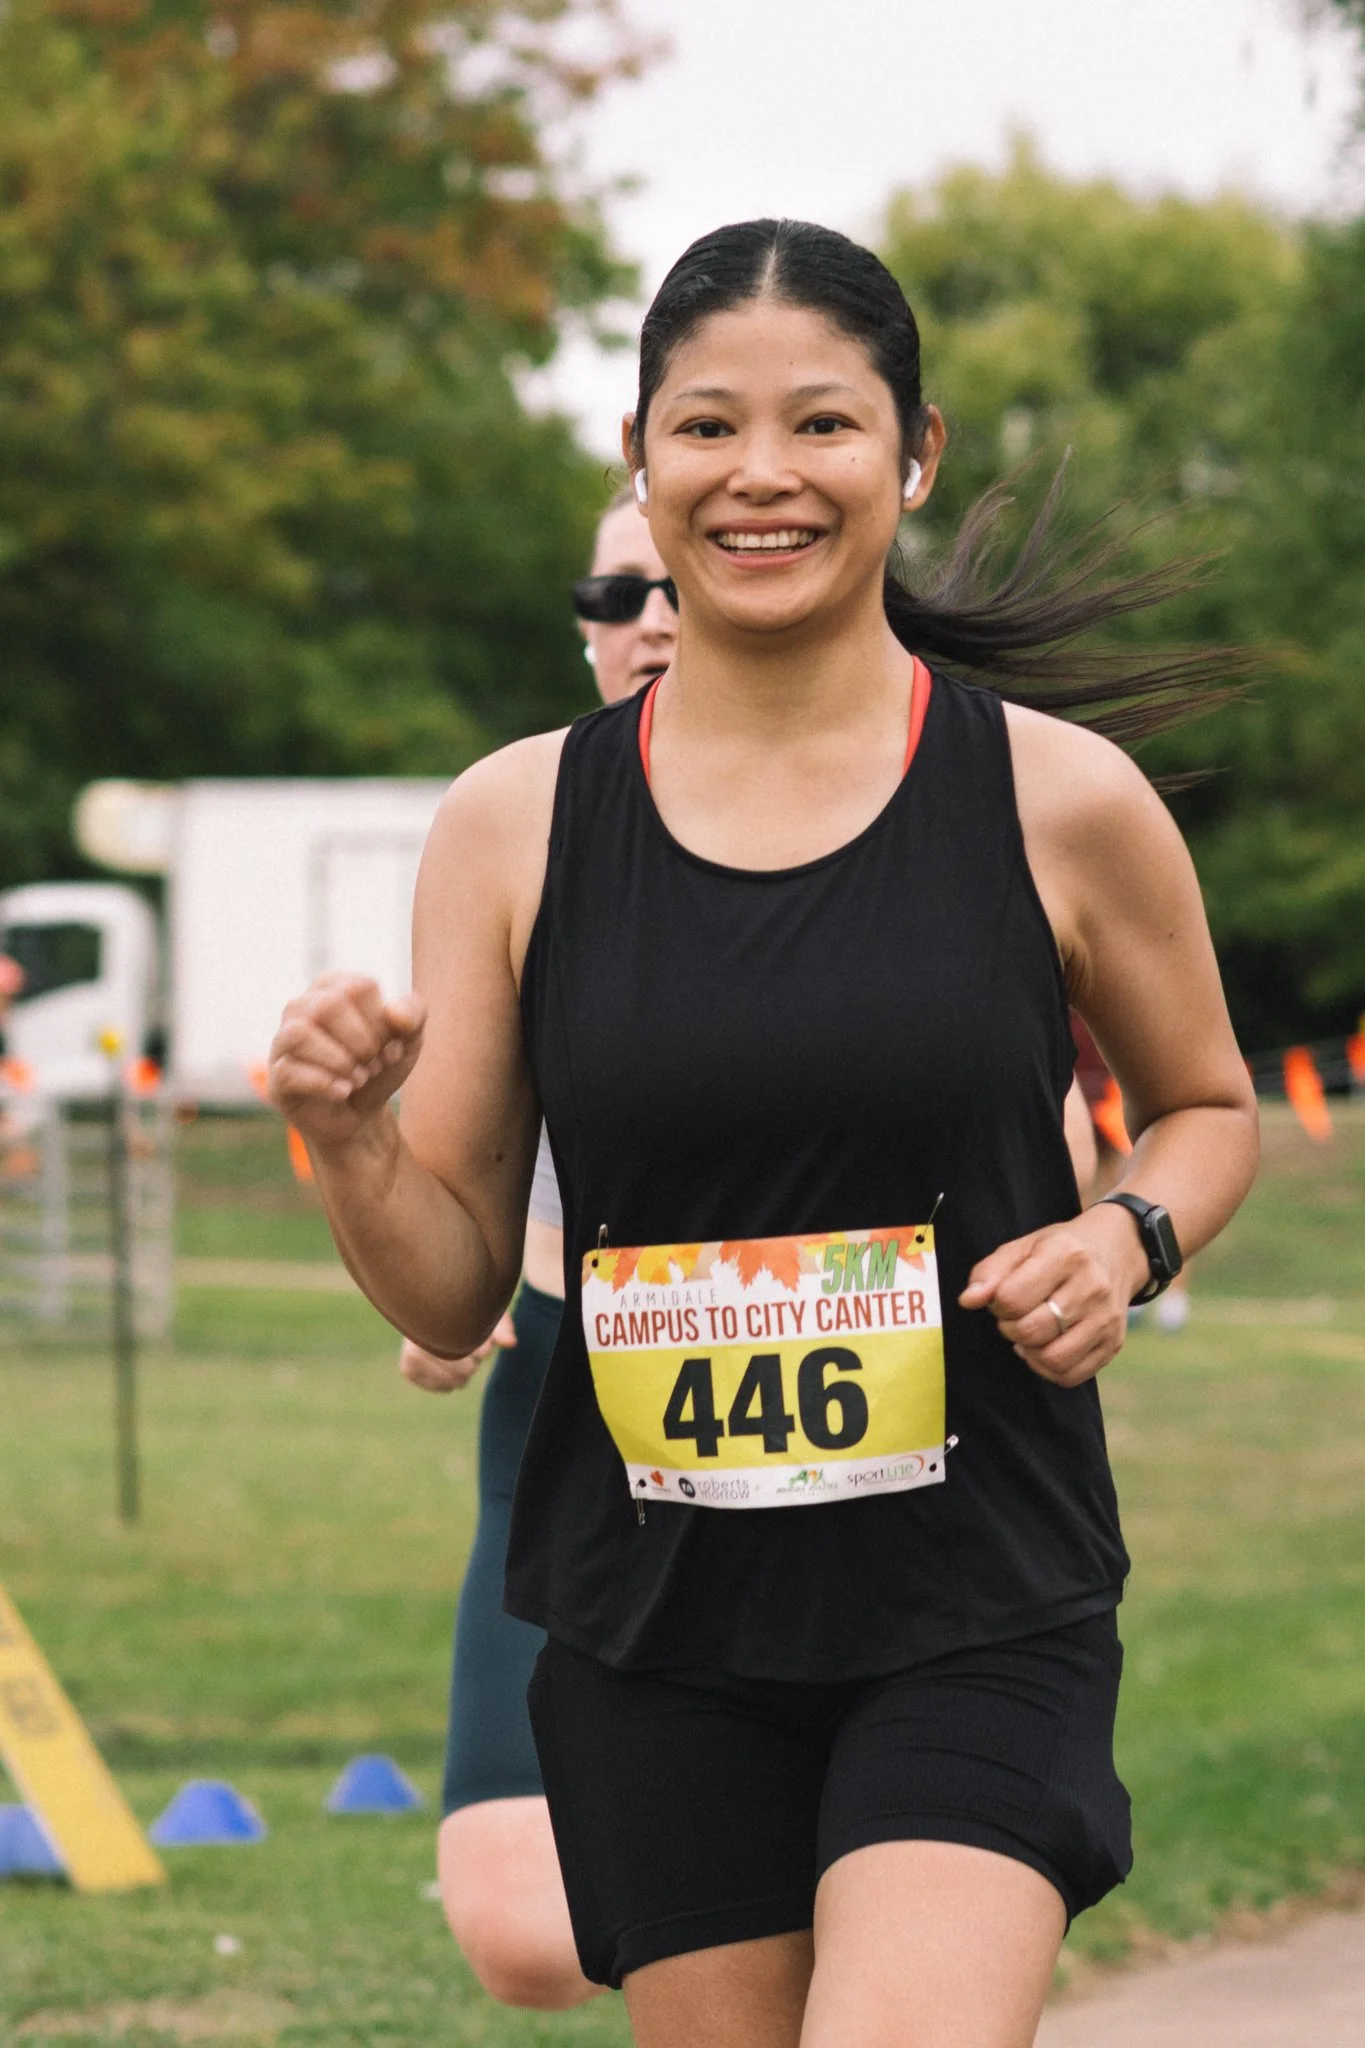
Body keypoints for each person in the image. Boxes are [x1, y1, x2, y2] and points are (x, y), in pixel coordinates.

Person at [270, 219, 1258, 2048]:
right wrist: (352, 1141)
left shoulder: (1057, 799)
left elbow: (1208, 1107)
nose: (762, 475)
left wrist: (1126, 1239)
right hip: (658, 1630)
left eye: (822, 423)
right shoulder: (515, 825)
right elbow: (455, 1278)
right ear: (639, 461)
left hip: (977, 1599)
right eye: (708, 427)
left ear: (915, 452)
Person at [398, 486, 678, 2009]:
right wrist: (442, 1278)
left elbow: (1055, 1136)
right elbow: (459, 1163)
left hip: (845, 1415)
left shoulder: (910, 813)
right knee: (525, 1933)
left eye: (673, 584)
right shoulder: (518, 824)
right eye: (612, 594)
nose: (648, 621)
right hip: (574, 1376)